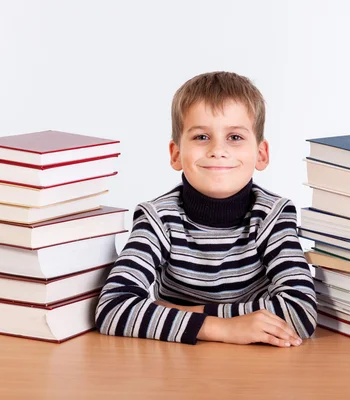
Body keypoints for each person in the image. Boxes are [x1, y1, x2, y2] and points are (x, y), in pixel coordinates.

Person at [95, 71, 317, 347]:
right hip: (174, 363)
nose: (217, 150)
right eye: (201, 137)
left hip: (256, 368)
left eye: (235, 137)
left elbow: (300, 313)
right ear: (176, 154)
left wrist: (186, 314)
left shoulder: (273, 215)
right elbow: (113, 309)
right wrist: (223, 329)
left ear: (261, 154)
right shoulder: (157, 219)